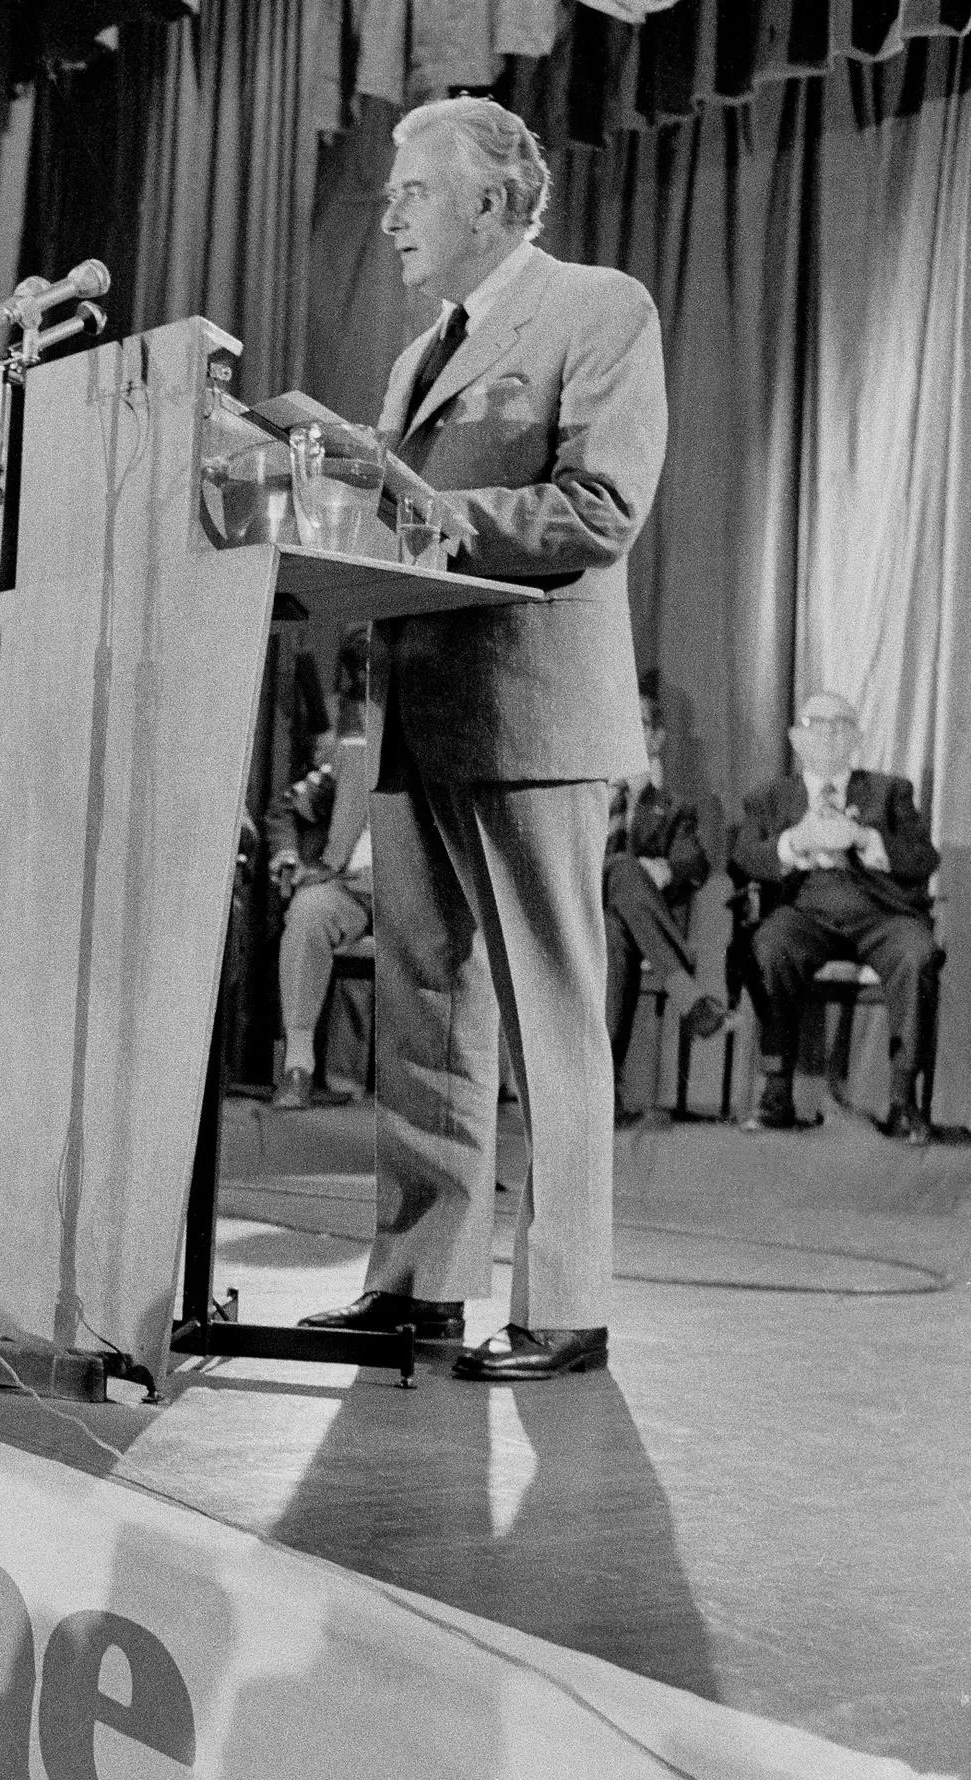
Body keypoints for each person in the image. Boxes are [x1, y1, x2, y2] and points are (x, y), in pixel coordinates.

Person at [301, 94, 667, 1382]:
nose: (390, 211)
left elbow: (600, 507)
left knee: (548, 1019)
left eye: (413, 191)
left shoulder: (598, 307)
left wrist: (434, 509)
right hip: (420, 707)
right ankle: (417, 1284)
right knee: (424, 1015)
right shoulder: (414, 360)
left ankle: (566, 1304)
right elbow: (410, 520)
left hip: (532, 711)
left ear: (495, 205)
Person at [730, 692, 939, 1142]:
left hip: (880, 913)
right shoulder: (769, 797)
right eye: (816, 723)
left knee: (917, 953)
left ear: (857, 738)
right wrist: (794, 842)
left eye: (841, 725)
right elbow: (745, 855)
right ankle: (776, 1093)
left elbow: (925, 858)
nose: (828, 733)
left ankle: (904, 1101)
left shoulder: (890, 790)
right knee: (769, 947)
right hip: (803, 911)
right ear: (795, 737)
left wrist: (865, 838)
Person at [605, 671, 725, 1105]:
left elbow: (694, 861)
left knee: (615, 929)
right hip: (568, 907)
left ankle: (603, 1090)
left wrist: (665, 870)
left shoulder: (671, 809)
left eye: (635, 723)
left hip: (619, 922)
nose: (621, 730)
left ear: (656, 739)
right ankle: (686, 991)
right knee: (622, 869)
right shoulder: (579, 796)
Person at [268, 634, 373, 1108]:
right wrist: (288, 855)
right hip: (350, 887)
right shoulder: (351, 746)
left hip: (415, 889)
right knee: (309, 910)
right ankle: (298, 1066)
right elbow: (289, 807)